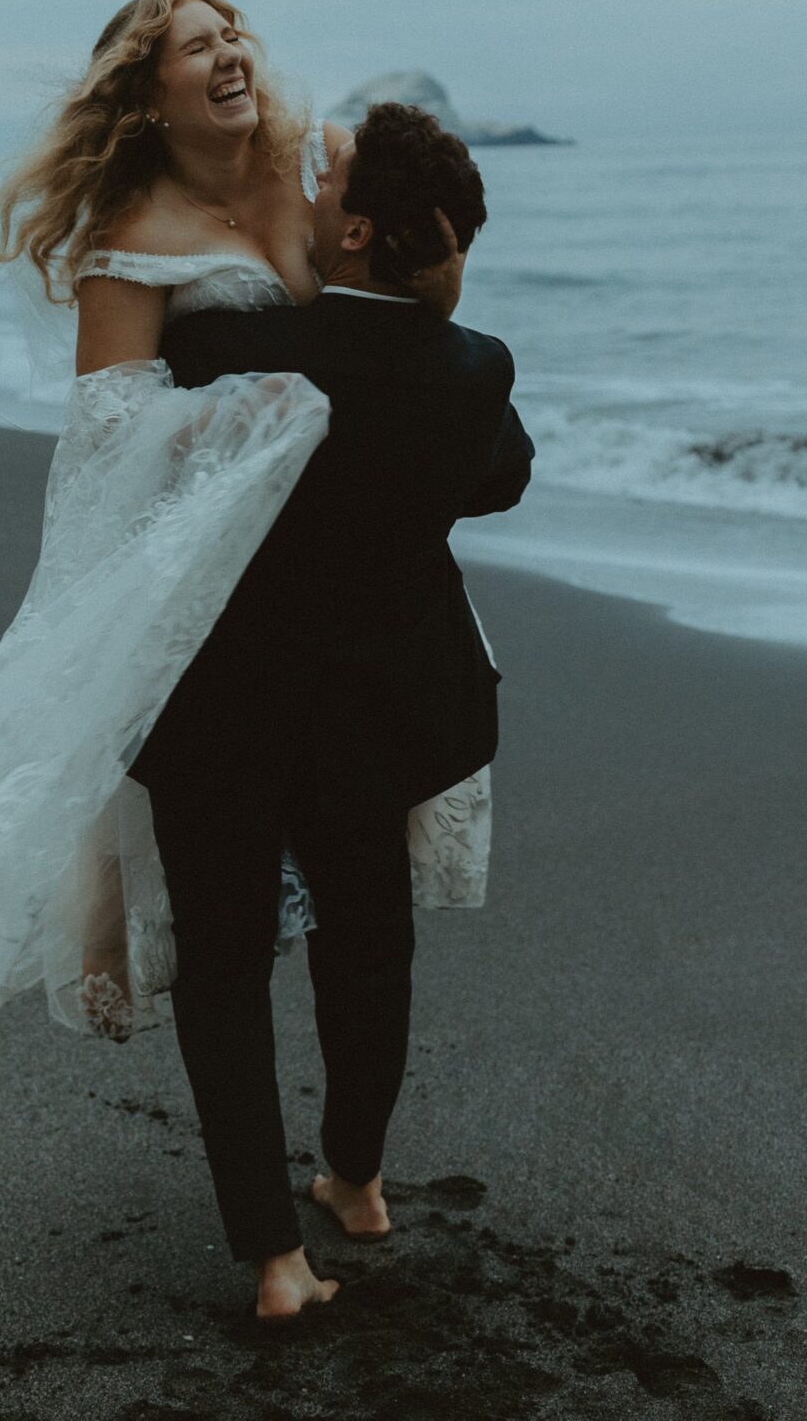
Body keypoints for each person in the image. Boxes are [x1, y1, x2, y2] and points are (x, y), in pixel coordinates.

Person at [0, 0, 525, 1316]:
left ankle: (317, 1207)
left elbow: (391, 329)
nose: (231, 50)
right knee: (252, 942)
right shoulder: (129, 251)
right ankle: (291, 1228)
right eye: (197, 42)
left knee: (341, 931)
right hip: (226, 653)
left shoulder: (308, 186)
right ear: (147, 93)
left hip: (334, 646)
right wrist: (231, 433)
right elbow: (102, 460)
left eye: (234, 28)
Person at [127, 103, 533, 1315]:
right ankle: (354, 1180)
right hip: (380, 709)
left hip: (227, 706)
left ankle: (273, 1257)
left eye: (329, 176)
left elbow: (143, 443)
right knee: (368, 940)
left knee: (226, 966)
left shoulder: (234, 345)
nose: (307, 181)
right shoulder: (471, 366)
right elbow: (500, 480)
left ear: (354, 232)